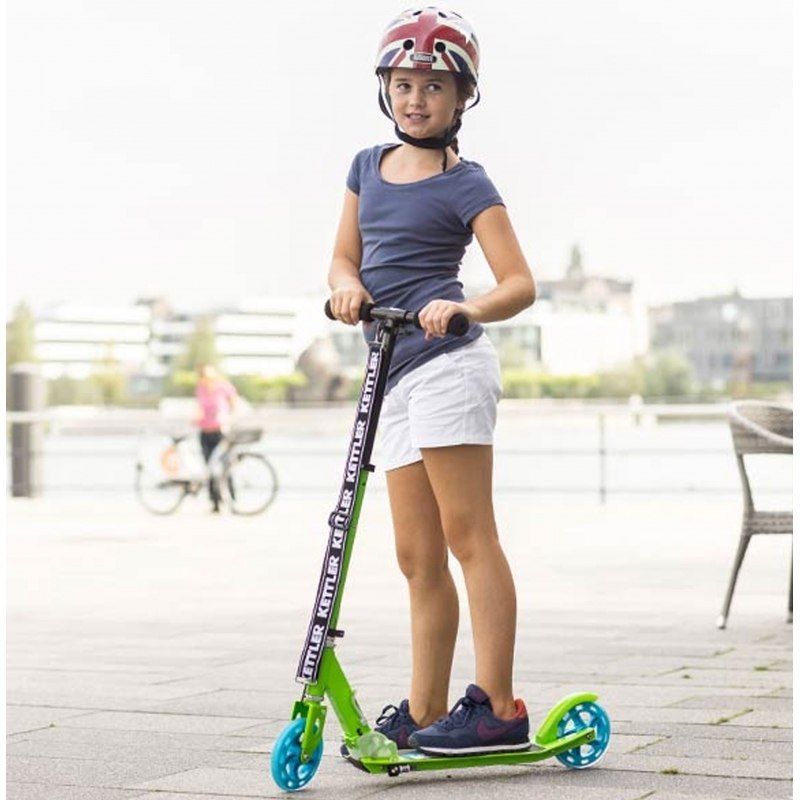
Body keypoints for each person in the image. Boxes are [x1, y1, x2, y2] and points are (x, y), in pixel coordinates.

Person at [327, 7, 537, 756]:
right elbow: (343, 258)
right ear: (386, 89)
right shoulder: (366, 166)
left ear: (462, 97)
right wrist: (346, 287)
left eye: (434, 86)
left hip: (449, 365)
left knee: (468, 535)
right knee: (416, 555)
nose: (416, 98)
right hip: (390, 372)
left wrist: (465, 306)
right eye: (404, 84)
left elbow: (519, 283)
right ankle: (424, 710)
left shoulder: (467, 183)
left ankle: (498, 708)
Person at [194, 363, 238, 513]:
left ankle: (232, 500)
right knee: (209, 468)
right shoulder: (200, 389)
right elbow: (199, 408)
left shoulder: (223, 387)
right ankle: (215, 502)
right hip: (205, 432)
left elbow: (234, 403)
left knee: (226, 467)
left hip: (220, 433)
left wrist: (229, 418)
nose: (206, 379)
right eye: (203, 376)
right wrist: (196, 418)